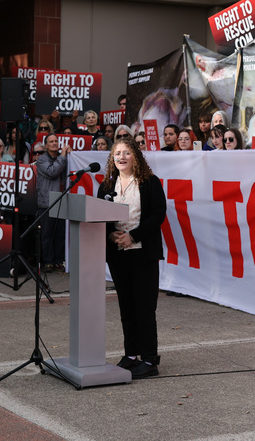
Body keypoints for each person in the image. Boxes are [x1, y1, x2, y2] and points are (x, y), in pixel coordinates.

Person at [97, 137, 166, 379]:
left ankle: (149, 359)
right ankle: (131, 355)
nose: (122, 157)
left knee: (144, 307)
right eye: (117, 154)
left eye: (127, 153)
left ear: (136, 156)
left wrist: (133, 236)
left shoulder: (150, 182)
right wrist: (110, 233)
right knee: (127, 307)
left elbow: (158, 215)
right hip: (118, 254)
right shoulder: (107, 185)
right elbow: (100, 216)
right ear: (112, 158)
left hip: (143, 253)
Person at [37, 134, 71, 272]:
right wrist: (63, 156)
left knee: (60, 233)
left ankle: (58, 260)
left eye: (56, 141)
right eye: (51, 141)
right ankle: (48, 262)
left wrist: (70, 157)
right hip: (47, 202)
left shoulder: (63, 158)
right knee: (47, 234)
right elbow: (52, 172)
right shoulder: (41, 160)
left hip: (61, 200)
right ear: (46, 145)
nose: (54, 143)